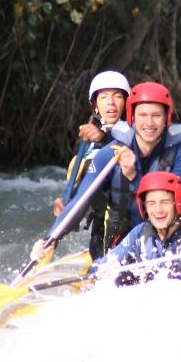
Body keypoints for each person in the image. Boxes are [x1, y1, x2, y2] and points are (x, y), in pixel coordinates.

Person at [35, 81, 181, 262]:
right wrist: (51, 238)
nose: (149, 123)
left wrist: (134, 176)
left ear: (166, 118)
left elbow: (167, 208)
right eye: (143, 115)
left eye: (156, 115)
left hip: (166, 237)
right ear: (132, 118)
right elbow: (82, 199)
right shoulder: (109, 154)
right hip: (120, 238)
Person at [87, 171, 181, 284]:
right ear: (144, 207)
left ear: (177, 204)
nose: (158, 210)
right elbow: (109, 261)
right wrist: (94, 272)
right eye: (151, 203)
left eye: (165, 202)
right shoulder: (140, 233)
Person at [52, 71, 130, 256]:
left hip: (132, 224)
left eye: (117, 96)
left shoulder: (139, 131)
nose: (111, 102)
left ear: (126, 103)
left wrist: (104, 137)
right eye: (104, 97)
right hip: (102, 228)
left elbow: (127, 138)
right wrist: (67, 206)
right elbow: (85, 193)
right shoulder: (89, 146)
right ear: (95, 105)